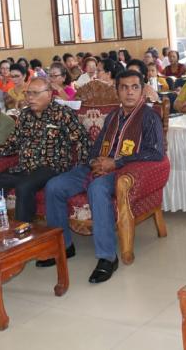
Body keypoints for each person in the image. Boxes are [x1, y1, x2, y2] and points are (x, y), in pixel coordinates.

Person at [40, 70, 165, 283]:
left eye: (134, 87)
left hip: (124, 170)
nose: (129, 92)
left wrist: (115, 163)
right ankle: (64, 246)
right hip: (99, 166)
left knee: (97, 188)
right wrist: (94, 162)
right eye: (124, 87)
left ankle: (107, 257)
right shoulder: (113, 116)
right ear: (117, 91)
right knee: (54, 186)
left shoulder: (149, 116)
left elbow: (156, 151)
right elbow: (97, 146)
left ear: (142, 90)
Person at [0, 77, 89, 222]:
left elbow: (82, 141)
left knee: (24, 187)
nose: (30, 98)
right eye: (28, 93)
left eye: (35, 93)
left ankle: (25, 232)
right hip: (25, 167)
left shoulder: (63, 113)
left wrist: (79, 170)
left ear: (49, 94)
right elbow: (13, 143)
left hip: (51, 167)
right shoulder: (25, 115)